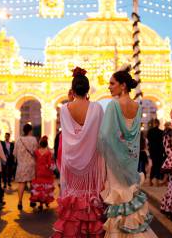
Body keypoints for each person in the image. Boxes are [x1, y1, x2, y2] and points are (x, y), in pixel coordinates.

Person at [98, 65, 155, 237]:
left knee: (118, 198)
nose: (109, 86)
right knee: (129, 196)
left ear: (123, 86)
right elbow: (135, 136)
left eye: (112, 83)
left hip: (115, 159)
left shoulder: (114, 106)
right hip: (131, 158)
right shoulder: (137, 107)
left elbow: (104, 136)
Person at [53, 67, 105, 237]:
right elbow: (102, 136)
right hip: (92, 163)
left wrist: (71, 100)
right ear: (88, 89)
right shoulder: (97, 108)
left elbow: (66, 135)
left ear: (72, 90)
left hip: (71, 163)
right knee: (91, 199)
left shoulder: (65, 109)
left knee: (73, 201)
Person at [13, 123, 37, 210]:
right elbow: (35, 152)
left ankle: (20, 202)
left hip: (21, 165)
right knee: (32, 183)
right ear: (30, 130)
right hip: (31, 164)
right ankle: (32, 201)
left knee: (22, 184)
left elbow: (14, 153)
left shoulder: (19, 140)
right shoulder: (33, 139)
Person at [29, 136, 55, 210]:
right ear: (46, 144)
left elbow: (34, 160)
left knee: (39, 188)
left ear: (40, 144)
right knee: (46, 187)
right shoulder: (48, 152)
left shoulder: (36, 152)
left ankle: (40, 204)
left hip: (38, 171)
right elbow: (49, 163)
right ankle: (46, 202)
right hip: (46, 172)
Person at [147, 119, 165, 186]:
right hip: (159, 151)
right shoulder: (161, 132)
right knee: (158, 165)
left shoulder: (150, 131)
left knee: (154, 165)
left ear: (154, 123)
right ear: (159, 124)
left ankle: (150, 180)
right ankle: (156, 181)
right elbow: (163, 143)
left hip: (152, 151)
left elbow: (149, 141)